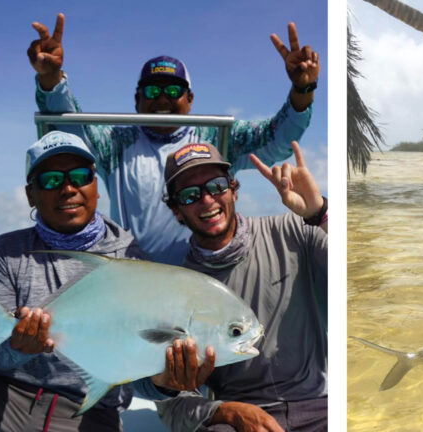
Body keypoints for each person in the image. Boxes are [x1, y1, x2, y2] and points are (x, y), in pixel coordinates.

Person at [27, 13, 320, 265]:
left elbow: (277, 139)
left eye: (173, 91)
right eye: (152, 92)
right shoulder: (115, 144)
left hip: (206, 272)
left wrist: (302, 88)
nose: (162, 99)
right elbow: (69, 130)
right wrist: (52, 80)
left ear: (190, 99)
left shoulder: (215, 137)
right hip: (135, 277)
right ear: (137, 101)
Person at [134, 141, 327, 431]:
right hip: (240, 415)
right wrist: (223, 411)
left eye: (216, 186)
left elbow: (365, 270)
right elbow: (171, 401)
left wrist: (321, 214)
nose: (207, 200)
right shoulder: (174, 286)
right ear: (175, 210)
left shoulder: (297, 229)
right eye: (189, 195)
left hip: (319, 403)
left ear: (233, 189)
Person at [0, 131, 147, 431]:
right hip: (5, 399)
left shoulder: (131, 260)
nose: (68, 188)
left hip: (87, 409)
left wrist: (168, 382)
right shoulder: (4, 253)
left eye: (79, 176)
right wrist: (19, 346)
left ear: (96, 186)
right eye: (51, 180)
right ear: (30, 194)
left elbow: (139, 361)